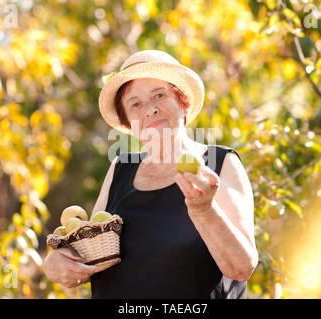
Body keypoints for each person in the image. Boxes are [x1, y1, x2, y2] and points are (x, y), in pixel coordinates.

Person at [43, 50, 258, 298]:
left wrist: (204, 210)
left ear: (183, 102)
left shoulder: (219, 163)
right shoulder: (120, 169)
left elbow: (241, 267)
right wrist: (56, 261)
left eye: (159, 95)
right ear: (127, 123)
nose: (150, 110)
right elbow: (92, 256)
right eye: (135, 104)